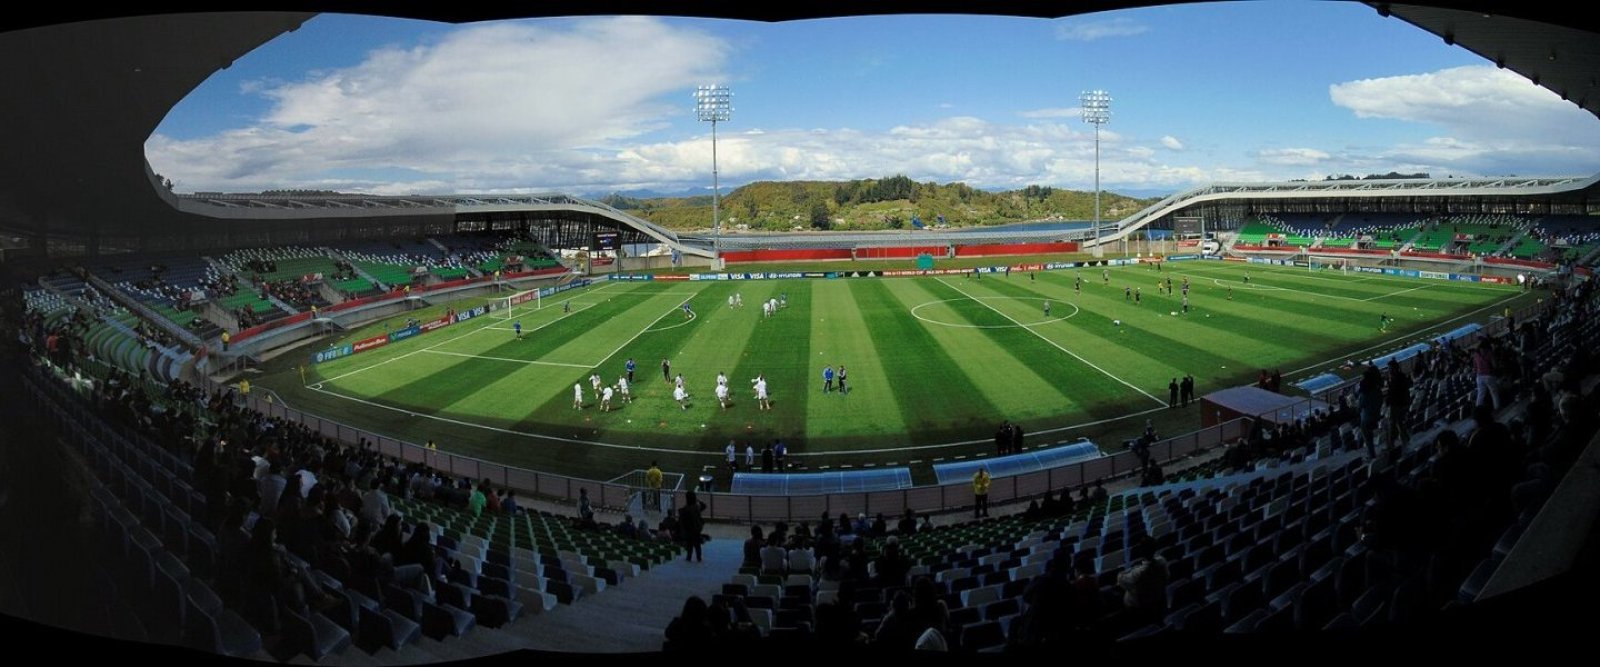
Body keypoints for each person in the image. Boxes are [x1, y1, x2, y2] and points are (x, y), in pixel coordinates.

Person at [679, 491, 706, 562]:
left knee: (689, 545)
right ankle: (699, 557)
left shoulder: (685, 509)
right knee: (697, 545)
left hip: (688, 530)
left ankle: (689, 557)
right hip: (696, 529)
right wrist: (697, 500)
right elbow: (704, 505)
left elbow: (682, 521)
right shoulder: (696, 507)